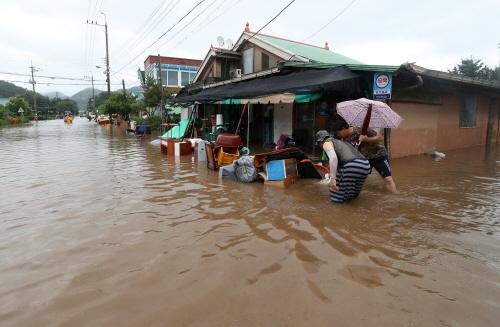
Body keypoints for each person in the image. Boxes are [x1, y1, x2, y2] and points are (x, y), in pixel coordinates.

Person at [333, 118, 397, 192]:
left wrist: (367, 139)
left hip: (378, 155)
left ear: (343, 128)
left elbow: (380, 138)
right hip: (364, 160)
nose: (338, 135)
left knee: (388, 179)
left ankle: (393, 197)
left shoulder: (361, 129)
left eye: (338, 133)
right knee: (356, 179)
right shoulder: (345, 140)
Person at [316, 126, 371, 203]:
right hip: (365, 165)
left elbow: (333, 158)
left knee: (336, 198)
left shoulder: (326, 143)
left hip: (351, 165)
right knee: (352, 197)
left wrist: (332, 179)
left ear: (320, 141)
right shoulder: (342, 142)